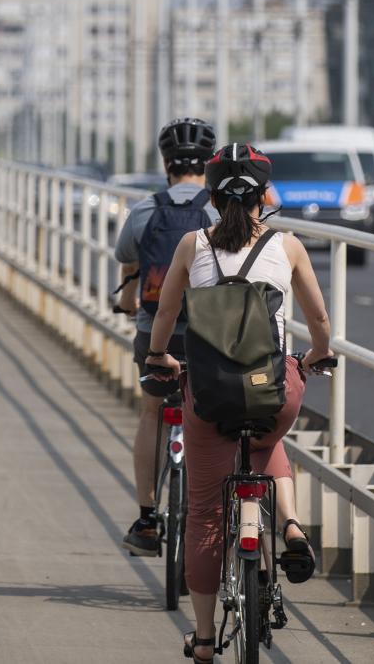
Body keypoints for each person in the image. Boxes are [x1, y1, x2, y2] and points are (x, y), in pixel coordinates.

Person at [144, 143, 335, 663]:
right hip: (272, 389)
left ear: (209, 195)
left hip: (208, 395)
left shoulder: (192, 244)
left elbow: (166, 315)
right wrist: (316, 356)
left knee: (204, 515)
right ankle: (290, 523)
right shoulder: (288, 245)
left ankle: (204, 640)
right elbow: (319, 322)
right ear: (265, 196)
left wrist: (160, 355)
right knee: (266, 430)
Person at [113, 118, 219, 557]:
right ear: (209, 165)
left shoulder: (144, 211)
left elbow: (129, 269)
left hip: (155, 336)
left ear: (165, 163)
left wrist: (128, 304)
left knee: (152, 413)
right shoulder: (218, 212)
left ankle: (146, 517)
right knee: (213, 418)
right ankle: (212, 513)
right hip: (208, 338)